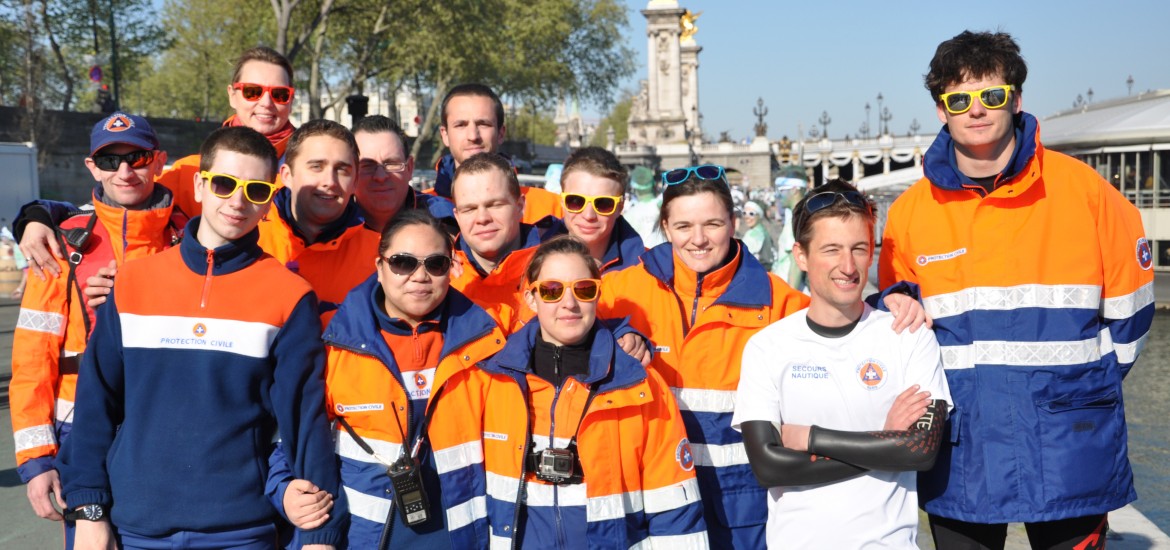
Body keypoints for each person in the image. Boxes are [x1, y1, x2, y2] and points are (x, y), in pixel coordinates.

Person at [878, 30, 1155, 549]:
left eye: (992, 95)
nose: (976, 110)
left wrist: (1083, 390)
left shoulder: (1086, 192)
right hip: (963, 451)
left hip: (1070, 445)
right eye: (959, 99)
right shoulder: (910, 212)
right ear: (941, 110)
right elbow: (897, 322)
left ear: (1017, 99)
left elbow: (1133, 310)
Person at [599, 164, 926, 549]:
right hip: (653, 498)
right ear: (666, 228)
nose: (699, 239)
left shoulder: (777, 300)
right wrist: (617, 331)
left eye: (713, 224)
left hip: (742, 508)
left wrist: (890, 299)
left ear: (734, 222)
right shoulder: (620, 292)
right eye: (684, 226)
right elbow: (561, 319)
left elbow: (838, 311)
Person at [57, 126, 344, 549]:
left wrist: (320, 534)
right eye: (224, 184)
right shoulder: (134, 282)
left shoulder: (290, 295)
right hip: (135, 528)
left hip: (242, 531)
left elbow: (304, 421)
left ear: (269, 200)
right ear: (199, 184)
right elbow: (96, 404)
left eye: (256, 190)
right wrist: (89, 512)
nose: (238, 201)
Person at [733, 179, 951, 548]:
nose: (848, 266)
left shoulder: (910, 334)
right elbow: (769, 467)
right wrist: (885, 442)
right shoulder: (767, 346)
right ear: (800, 256)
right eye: (831, 250)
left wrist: (810, 438)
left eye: (859, 249)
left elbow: (922, 450)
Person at [271, 209, 507, 548]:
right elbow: (289, 436)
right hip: (356, 540)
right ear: (379, 267)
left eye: (435, 264)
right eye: (403, 262)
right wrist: (284, 491)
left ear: (451, 269)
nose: (420, 276)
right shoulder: (329, 338)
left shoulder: (487, 344)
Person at [8, 112, 184, 548]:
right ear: (92, 167)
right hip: (80, 436)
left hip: (173, 429)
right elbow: (33, 359)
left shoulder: (191, 237)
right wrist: (36, 461)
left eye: (138, 157)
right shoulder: (61, 241)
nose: (124, 171)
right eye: (109, 161)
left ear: (159, 160)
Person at [475, 236, 708, 548]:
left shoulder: (641, 385)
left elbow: (674, 508)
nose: (569, 303)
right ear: (531, 299)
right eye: (552, 290)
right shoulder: (493, 381)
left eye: (583, 289)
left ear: (598, 295)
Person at [15, 46, 297, 277]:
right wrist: (40, 215)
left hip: (291, 309)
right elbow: (117, 206)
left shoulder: (311, 173)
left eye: (280, 94)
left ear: (291, 100)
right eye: (252, 91)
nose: (266, 103)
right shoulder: (189, 170)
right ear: (232, 95)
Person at [257, 119, 380, 316]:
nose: (329, 181)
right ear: (287, 175)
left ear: (355, 180)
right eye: (316, 167)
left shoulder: (380, 257)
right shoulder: (250, 238)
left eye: (342, 170)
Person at [448, 152, 561, 333]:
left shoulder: (561, 273)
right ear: (457, 216)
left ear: (520, 207)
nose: (482, 218)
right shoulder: (438, 281)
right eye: (469, 209)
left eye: (495, 205)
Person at [432, 83, 562, 224]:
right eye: (461, 125)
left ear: (501, 133)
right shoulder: (424, 208)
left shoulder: (551, 209)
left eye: (483, 124)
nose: (473, 136)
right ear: (444, 135)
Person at [351, 115, 455, 233]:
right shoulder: (331, 227)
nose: (380, 177)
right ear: (350, 171)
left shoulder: (447, 222)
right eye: (367, 165)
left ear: (409, 168)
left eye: (392, 164)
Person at [558, 147, 645, 274]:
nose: (588, 215)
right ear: (562, 202)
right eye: (576, 201)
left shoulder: (647, 270)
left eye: (604, 204)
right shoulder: (531, 256)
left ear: (620, 207)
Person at [739, 200, 775, 270]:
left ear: (760, 215)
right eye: (744, 213)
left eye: (751, 214)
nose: (747, 217)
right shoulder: (763, 231)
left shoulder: (753, 235)